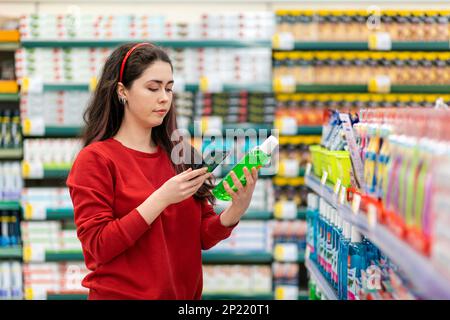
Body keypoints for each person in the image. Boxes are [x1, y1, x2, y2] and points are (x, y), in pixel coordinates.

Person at [66, 42, 259, 300]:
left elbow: (201, 236)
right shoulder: (95, 160)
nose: (164, 98)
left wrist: (236, 210)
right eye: (153, 88)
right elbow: (98, 247)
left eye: (169, 88)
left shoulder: (182, 154)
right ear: (122, 91)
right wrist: (161, 198)